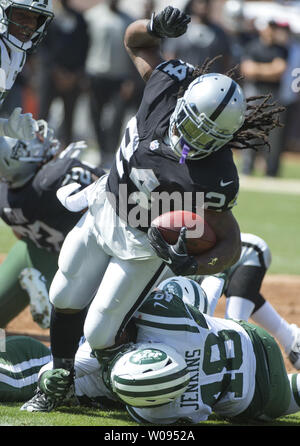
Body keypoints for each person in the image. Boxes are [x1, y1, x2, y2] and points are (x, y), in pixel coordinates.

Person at [29, 5, 284, 412]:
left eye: (209, 135)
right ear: (183, 102)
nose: (195, 138)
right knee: (64, 291)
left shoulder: (214, 176)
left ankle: (117, 385)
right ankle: (59, 380)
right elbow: (135, 41)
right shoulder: (168, 85)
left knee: (99, 328)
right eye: (194, 123)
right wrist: (151, 26)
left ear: (226, 139)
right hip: (105, 207)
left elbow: (230, 242)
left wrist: (192, 265)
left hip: (143, 243)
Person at [20, 279, 300, 424]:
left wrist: (49, 377)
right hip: (249, 341)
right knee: (183, 288)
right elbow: (188, 293)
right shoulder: (161, 316)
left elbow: (89, 362)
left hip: (256, 401)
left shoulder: (157, 415)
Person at [0, 120, 105, 329]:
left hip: (33, 253)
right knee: (89, 328)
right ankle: (50, 297)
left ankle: (42, 284)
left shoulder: (5, 196)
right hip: (78, 260)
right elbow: (110, 195)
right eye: (35, 139)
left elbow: (20, 232)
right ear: (19, 156)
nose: (42, 139)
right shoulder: (54, 177)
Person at [189, 232, 300, 370]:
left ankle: (247, 374)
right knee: (241, 295)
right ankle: (291, 339)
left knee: (233, 332)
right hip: (220, 264)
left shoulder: (207, 281)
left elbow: (204, 313)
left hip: (250, 253)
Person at [84, 0, 136, 167]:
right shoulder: (92, 16)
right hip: (96, 73)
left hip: (119, 76)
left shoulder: (128, 19)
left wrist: (130, 79)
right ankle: (100, 150)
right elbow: (85, 45)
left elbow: (133, 52)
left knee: (117, 116)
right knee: (96, 115)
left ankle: (111, 151)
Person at [37, 0, 89, 147]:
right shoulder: (48, 18)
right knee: (43, 115)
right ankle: (37, 147)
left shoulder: (80, 19)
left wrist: (75, 74)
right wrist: (56, 71)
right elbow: (42, 47)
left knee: (69, 118)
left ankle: (65, 151)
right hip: (50, 76)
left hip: (73, 77)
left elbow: (84, 47)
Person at [240, 20, 289, 177]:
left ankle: (271, 171)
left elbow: (280, 70)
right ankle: (247, 168)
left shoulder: (281, 49)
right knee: (250, 131)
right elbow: (247, 69)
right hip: (254, 93)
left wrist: (259, 69)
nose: (271, 31)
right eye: (269, 27)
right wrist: (269, 70)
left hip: (273, 96)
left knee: (274, 135)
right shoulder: (252, 46)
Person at [0, 0, 54, 140]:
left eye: (35, 17)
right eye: (21, 15)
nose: (30, 24)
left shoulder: (17, 54)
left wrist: (5, 128)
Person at [163, 0, 233, 75]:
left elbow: (226, 60)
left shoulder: (219, 32)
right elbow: (170, 56)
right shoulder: (181, 27)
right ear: (193, 4)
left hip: (210, 81)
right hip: (183, 80)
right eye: (200, 2)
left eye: (207, 2)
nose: (204, 5)